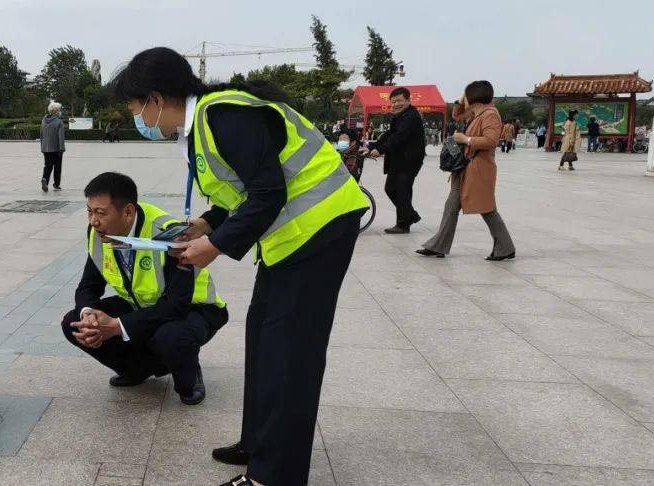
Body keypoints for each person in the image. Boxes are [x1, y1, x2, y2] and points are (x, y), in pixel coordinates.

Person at [111, 47, 369, 486]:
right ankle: (259, 444)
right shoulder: (206, 125)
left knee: (290, 356)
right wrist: (206, 224)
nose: (137, 116)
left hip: (320, 232)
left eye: (135, 106)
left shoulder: (222, 115)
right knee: (264, 341)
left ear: (156, 99)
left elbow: (269, 194)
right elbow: (246, 193)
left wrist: (213, 246)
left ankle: (273, 476)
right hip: (291, 241)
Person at [61, 172, 228, 405]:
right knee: (74, 323)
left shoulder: (170, 234)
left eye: (101, 213)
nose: (93, 221)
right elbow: (89, 285)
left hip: (195, 308)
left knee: (171, 337)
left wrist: (117, 326)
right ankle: (138, 369)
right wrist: (88, 313)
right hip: (141, 303)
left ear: (128, 211)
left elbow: (176, 305)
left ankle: (189, 369)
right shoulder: (98, 233)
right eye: (89, 211)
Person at [417, 81, 516, 261]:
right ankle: (438, 245)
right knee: (451, 206)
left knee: (486, 208)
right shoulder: (477, 113)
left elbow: (491, 141)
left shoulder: (490, 114)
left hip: (478, 168)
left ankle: (505, 247)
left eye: (466, 94)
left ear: (474, 97)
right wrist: (461, 98)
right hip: (464, 169)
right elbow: (457, 115)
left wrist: (466, 139)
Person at [369, 87, 427, 234]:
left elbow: (399, 137)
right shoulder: (399, 116)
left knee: (402, 190)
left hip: (409, 160)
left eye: (399, 101)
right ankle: (410, 216)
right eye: (393, 102)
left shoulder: (411, 117)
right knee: (391, 189)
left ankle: (403, 224)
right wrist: (372, 145)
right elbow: (389, 135)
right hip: (399, 160)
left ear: (408, 100)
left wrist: (380, 150)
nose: (396, 104)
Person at [40, 101, 66, 192]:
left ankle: (45, 179)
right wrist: (62, 148)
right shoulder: (59, 122)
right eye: (59, 110)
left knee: (48, 165)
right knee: (57, 166)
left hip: (45, 147)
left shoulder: (44, 120)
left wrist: (42, 147)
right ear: (55, 111)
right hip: (56, 148)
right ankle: (56, 184)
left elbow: (41, 135)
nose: (60, 111)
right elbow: (61, 137)